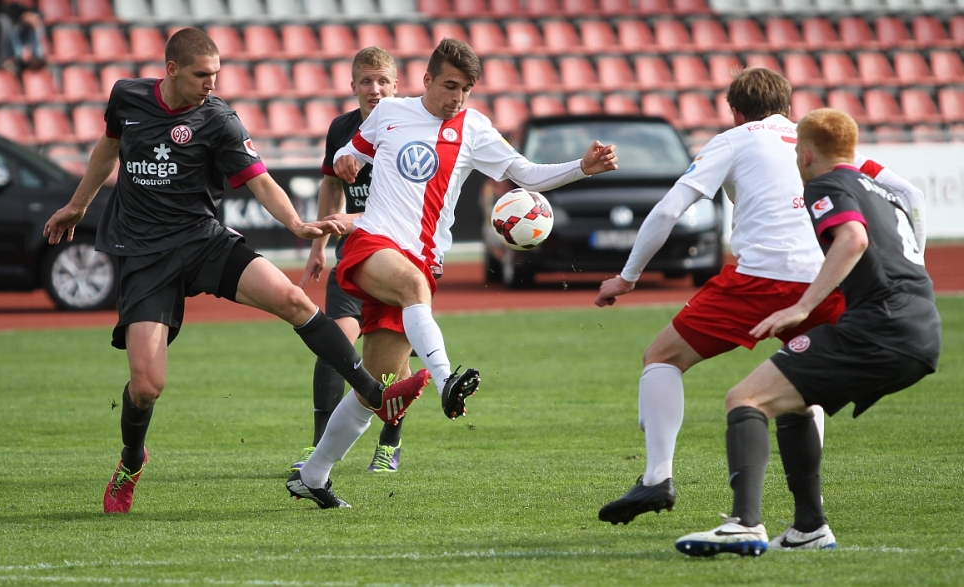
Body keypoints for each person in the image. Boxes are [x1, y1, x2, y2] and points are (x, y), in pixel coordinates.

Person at [42, 28, 428, 514]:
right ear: (172, 70)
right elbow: (107, 148)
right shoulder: (127, 97)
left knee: (294, 300)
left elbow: (260, 182)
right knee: (145, 387)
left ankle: (373, 393)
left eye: (217, 74)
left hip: (202, 241)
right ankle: (132, 460)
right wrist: (79, 204)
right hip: (144, 255)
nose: (212, 83)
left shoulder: (219, 119)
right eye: (202, 75)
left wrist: (296, 225)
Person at [285, 38, 619, 508]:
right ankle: (446, 382)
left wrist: (581, 168)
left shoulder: (474, 128)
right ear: (426, 80)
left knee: (376, 387)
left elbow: (525, 173)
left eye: (465, 89)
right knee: (411, 287)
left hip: (421, 260)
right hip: (373, 242)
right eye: (448, 86)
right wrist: (346, 158)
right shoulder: (389, 113)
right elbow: (352, 154)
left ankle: (313, 475)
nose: (456, 98)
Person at [593, 68, 927, 535]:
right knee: (801, 387)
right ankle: (810, 510)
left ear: (734, 111)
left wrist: (626, 278)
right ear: (789, 107)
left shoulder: (733, 140)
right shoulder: (815, 142)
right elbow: (911, 194)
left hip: (757, 282)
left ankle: (656, 478)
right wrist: (918, 263)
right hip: (824, 284)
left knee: (663, 357)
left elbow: (669, 209)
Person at [674, 108, 939, 557]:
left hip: (879, 328)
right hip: (921, 329)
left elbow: (852, 238)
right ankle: (808, 528)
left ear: (808, 154)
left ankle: (744, 524)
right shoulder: (879, 188)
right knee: (792, 401)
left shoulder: (825, 183)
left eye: (798, 150)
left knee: (745, 398)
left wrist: (802, 306)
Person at [291, 46, 410, 474]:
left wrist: (354, 219)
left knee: (391, 365)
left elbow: (407, 207)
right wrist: (319, 246)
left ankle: (390, 443)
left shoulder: (408, 130)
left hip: (399, 261)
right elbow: (330, 184)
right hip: (353, 258)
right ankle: (318, 445)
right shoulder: (341, 128)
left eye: (382, 81)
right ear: (353, 85)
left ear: (396, 85)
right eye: (366, 81)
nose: (374, 89)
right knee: (334, 347)